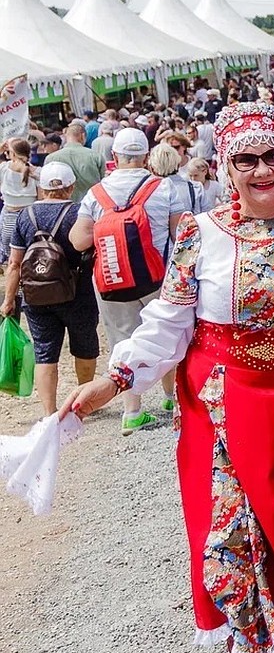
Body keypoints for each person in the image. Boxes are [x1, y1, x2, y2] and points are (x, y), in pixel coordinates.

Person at [61, 102, 274, 653]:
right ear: (226, 165)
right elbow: (170, 318)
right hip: (221, 396)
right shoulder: (200, 231)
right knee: (227, 526)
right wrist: (117, 378)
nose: (264, 169)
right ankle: (247, 651)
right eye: (247, 159)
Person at [70, 127, 184, 435]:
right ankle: (170, 399)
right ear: (147, 156)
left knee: (123, 340)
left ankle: (132, 411)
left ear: (114, 157)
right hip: (156, 276)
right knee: (166, 333)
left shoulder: (96, 193)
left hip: (112, 279)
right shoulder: (164, 188)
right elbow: (180, 234)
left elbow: (79, 240)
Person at [1, 164, 99, 416]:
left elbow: (14, 263)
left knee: (45, 351)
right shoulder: (79, 212)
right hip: (78, 292)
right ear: (71, 187)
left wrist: (9, 299)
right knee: (84, 346)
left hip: (36, 295)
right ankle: (82, 402)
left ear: (41, 188)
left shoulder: (25, 216)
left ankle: (49, 412)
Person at [44, 122, 105, 202]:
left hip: (63, 206)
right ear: (83, 136)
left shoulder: (50, 158)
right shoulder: (96, 156)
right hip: (92, 203)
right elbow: (103, 181)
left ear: (66, 136)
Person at [0, 137, 39, 263]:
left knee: (10, 254)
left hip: (9, 213)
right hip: (30, 215)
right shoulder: (37, 172)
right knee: (29, 249)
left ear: (13, 154)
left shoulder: (4, 169)